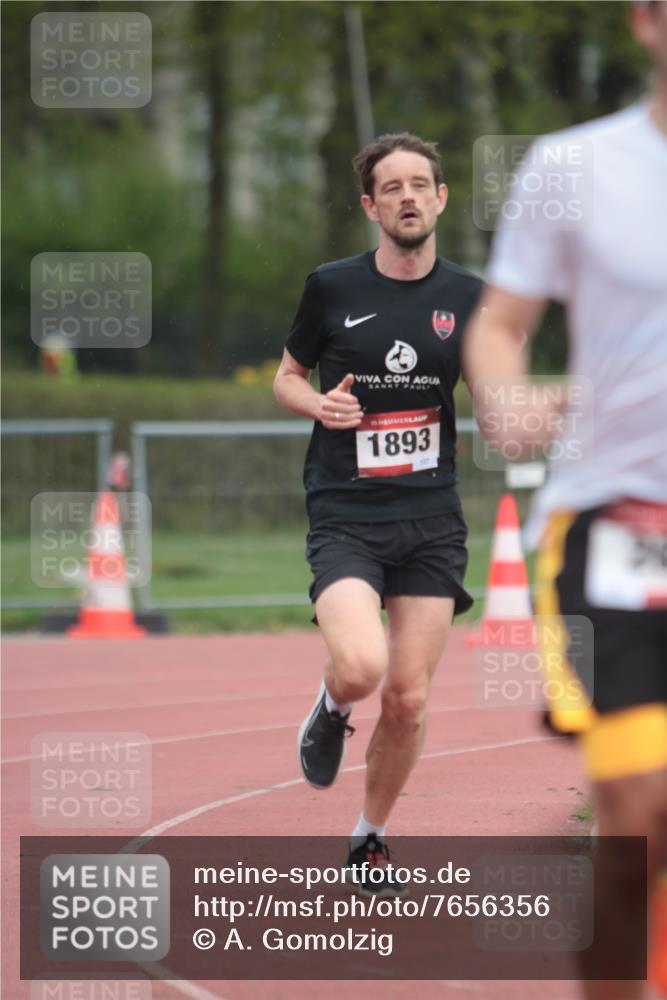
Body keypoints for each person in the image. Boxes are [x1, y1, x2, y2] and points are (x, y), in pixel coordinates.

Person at [464, 2, 667, 995]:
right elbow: (500, 325)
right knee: (637, 797)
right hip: (612, 525)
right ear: (646, 22)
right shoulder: (572, 168)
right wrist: (502, 393)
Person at [273, 132, 481, 896]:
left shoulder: (469, 296)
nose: (406, 197)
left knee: (409, 698)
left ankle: (368, 841)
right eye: (390, 187)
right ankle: (330, 707)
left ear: (440, 198)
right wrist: (316, 401)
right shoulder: (331, 286)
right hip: (346, 513)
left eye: (418, 184)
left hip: (431, 516)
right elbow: (286, 377)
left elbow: (494, 394)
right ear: (370, 206)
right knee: (362, 669)